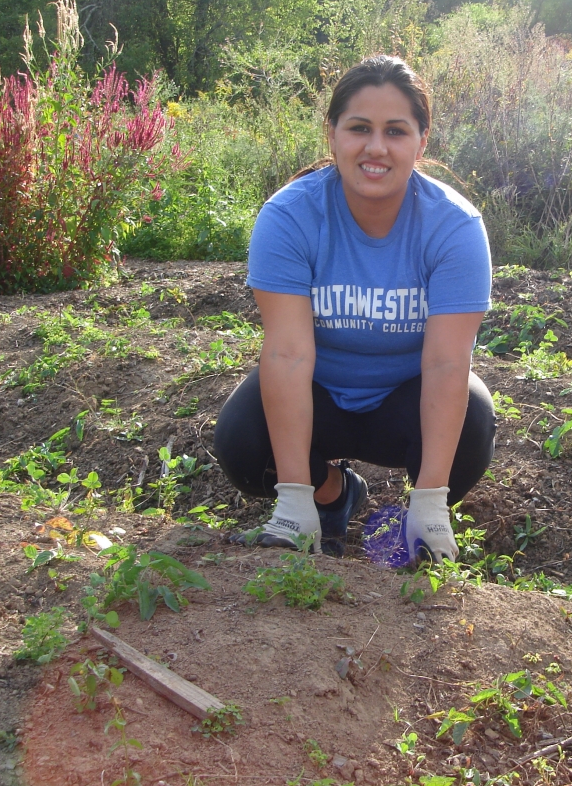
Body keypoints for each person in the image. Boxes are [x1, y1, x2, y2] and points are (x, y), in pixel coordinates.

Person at [212, 55, 496, 563]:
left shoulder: (455, 228)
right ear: (333, 134)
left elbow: (447, 363)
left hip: (404, 404)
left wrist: (432, 501)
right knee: (243, 442)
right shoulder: (289, 217)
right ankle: (329, 495)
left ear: (421, 141)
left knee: (473, 424)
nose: (376, 147)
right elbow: (288, 355)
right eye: (359, 128)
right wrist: (293, 497)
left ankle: (420, 520)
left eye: (396, 130)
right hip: (320, 396)